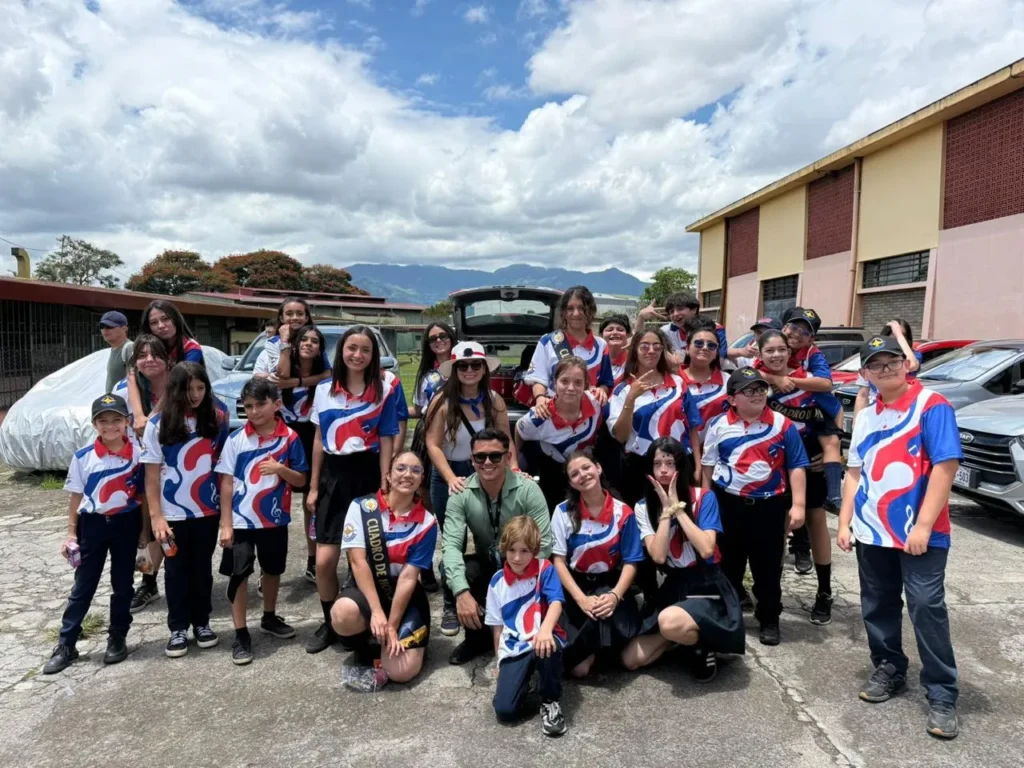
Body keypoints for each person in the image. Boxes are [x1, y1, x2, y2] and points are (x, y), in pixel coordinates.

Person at [838, 335, 963, 740]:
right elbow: (854, 472)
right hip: (872, 528)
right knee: (877, 603)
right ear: (865, 374)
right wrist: (844, 522)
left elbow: (945, 467)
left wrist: (924, 525)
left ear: (906, 365)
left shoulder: (932, 405)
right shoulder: (866, 415)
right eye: (877, 365)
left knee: (926, 607)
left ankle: (942, 693)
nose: (886, 369)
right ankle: (889, 667)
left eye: (892, 361)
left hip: (919, 531)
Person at [305, 326, 405, 654]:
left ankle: (364, 617)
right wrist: (314, 486)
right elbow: (319, 439)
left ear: (373, 354)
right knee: (324, 561)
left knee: (366, 557)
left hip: (368, 473)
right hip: (333, 477)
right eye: (352, 348)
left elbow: (389, 434)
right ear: (341, 351)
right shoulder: (323, 389)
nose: (358, 355)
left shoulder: (387, 387)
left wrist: (385, 478)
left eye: (365, 349)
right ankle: (329, 620)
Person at [621, 438, 744, 682]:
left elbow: (707, 549)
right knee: (630, 659)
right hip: (674, 585)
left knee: (668, 621)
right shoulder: (643, 507)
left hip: (707, 584)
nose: (664, 469)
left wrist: (678, 509)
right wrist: (666, 513)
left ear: (681, 466)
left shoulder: (704, 497)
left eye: (670, 462)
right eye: (657, 464)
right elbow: (657, 555)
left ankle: (701, 644)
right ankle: (684, 636)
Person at [701, 367, 808, 646]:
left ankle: (769, 617)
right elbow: (708, 467)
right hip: (729, 504)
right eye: (749, 390)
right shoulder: (718, 425)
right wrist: (705, 502)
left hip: (769, 507)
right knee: (728, 566)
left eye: (761, 389)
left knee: (768, 568)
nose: (757, 394)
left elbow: (796, 466)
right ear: (733, 398)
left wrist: (798, 505)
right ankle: (729, 616)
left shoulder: (783, 424)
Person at [44, 394, 143, 674]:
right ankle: (67, 644)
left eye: (116, 420)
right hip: (93, 526)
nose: (110, 426)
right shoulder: (83, 457)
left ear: (127, 422)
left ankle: (117, 636)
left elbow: (145, 495)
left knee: (123, 584)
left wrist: (144, 531)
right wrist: (71, 534)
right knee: (83, 586)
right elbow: (76, 496)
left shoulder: (138, 453)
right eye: (103, 421)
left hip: (126, 523)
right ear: (94, 424)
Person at [216, 379, 308, 665]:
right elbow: (226, 483)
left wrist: (281, 469)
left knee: (273, 571)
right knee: (239, 575)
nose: (254, 411)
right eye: (249, 406)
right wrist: (226, 523)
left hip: (274, 520)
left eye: (260, 404)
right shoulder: (235, 440)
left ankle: (269, 616)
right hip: (242, 522)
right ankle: (241, 632)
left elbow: (302, 479)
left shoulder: (290, 438)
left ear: (276, 404)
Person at [140, 363, 229, 657]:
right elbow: (151, 475)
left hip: (207, 511)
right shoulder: (158, 424)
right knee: (176, 571)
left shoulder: (216, 418)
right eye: (188, 389)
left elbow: (223, 467)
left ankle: (202, 623)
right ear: (175, 390)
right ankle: (178, 627)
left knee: (202, 569)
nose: (195, 395)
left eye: (201, 388)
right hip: (172, 515)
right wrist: (156, 517)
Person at [441, 428, 552, 665]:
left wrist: (519, 577)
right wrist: (460, 592)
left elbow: (543, 543)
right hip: (488, 563)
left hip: (523, 565)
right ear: (471, 460)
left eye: (495, 456)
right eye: (480, 457)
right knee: (457, 569)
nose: (487, 462)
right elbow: (450, 545)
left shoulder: (528, 489)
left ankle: (524, 631)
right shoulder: (460, 494)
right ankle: (475, 639)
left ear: (508, 457)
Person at [427, 341, 514, 631]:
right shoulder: (442, 401)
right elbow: (433, 444)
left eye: (475, 364)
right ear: (454, 370)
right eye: (462, 366)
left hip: (487, 468)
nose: (469, 370)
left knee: (492, 533)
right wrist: (451, 477)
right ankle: (452, 601)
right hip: (449, 472)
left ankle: (491, 594)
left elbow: (505, 439)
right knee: (454, 540)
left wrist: (513, 470)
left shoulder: (494, 400)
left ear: (483, 368)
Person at [330, 451, 437, 685]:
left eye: (416, 470)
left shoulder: (427, 522)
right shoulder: (361, 507)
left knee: (401, 673)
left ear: (421, 479)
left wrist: (392, 625)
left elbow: (409, 577)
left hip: (403, 594)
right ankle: (366, 645)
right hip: (367, 589)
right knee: (342, 614)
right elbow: (357, 562)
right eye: (400, 468)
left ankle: (398, 640)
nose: (408, 474)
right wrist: (377, 612)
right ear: (388, 475)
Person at [758, 330, 839, 624]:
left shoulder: (805, 379)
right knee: (776, 529)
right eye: (770, 351)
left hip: (809, 460)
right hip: (771, 462)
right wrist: (771, 379)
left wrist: (832, 448)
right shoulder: (755, 380)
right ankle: (771, 596)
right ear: (761, 354)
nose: (777, 355)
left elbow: (834, 410)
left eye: (781, 349)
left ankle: (825, 592)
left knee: (816, 521)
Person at [551, 450, 643, 678]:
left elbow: (631, 561)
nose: (582, 475)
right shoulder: (562, 512)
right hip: (575, 586)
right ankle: (596, 652)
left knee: (610, 624)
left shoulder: (623, 512)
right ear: (571, 482)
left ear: (598, 468)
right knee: (579, 669)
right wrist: (581, 600)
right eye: (574, 474)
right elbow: (558, 561)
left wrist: (614, 596)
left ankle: (601, 650)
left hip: (610, 584)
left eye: (586, 468)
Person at [486, 515, 567, 737]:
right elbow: (497, 628)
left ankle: (550, 700)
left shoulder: (545, 568)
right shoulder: (497, 581)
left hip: (544, 637)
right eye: (512, 550)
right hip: (516, 645)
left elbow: (556, 602)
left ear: (534, 550)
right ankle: (528, 678)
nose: (517, 557)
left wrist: (545, 629)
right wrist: (499, 661)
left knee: (547, 647)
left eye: (524, 551)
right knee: (505, 711)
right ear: (504, 549)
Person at [761, 307, 844, 512]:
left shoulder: (813, 355)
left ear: (811, 339)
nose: (797, 333)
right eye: (793, 327)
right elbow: (751, 372)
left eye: (804, 332)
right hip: (781, 436)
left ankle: (834, 495)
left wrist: (790, 380)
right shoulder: (771, 345)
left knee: (831, 442)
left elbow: (826, 384)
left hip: (818, 411)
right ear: (784, 327)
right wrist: (776, 379)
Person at [607, 327, 702, 506]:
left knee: (681, 516)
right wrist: (631, 398)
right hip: (640, 466)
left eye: (656, 347)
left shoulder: (679, 383)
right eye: (644, 346)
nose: (651, 351)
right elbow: (620, 436)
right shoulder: (623, 389)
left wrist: (697, 466)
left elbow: (693, 427)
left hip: (679, 463)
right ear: (635, 350)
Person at [116, 336, 174, 615]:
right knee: (147, 530)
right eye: (143, 355)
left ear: (168, 359)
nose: (149, 359)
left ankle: (183, 580)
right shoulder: (126, 390)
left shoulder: (183, 387)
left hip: (178, 471)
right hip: (141, 468)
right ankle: (148, 581)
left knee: (176, 527)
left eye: (156, 354)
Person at [275, 324, 331, 585]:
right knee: (277, 496)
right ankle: (271, 567)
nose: (309, 344)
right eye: (304, 340)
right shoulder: (283, 369)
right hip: (284, 436)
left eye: (315, 341)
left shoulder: (326, 376)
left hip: (313, 435)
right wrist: (286, 344)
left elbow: (327, 376)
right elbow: (280, 375)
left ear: (321, 348)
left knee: (312, 500)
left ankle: (312, 558)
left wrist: (297, 382)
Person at [515, 357, 605, 512]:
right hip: (552, 469)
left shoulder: (595, 402)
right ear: (554, 383)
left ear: (586, 385)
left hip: (582, 463)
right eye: (564, 381)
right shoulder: (539, 416)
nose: (571, 388)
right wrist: (516, 465)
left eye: (578, 382)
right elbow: (519, 432)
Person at [523, 286, 614, 414]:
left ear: (591, 311)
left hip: (590, 419)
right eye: (570, 308)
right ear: (564, 312)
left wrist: (602, 391)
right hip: (554, 415)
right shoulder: (548, 342)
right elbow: (538, 378)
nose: (576, 313)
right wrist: (540, 398)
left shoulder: (601, 345)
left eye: (582, 308)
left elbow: (606, 382)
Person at [853, 319, 921, 418]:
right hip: (876, 411)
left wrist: (898, 335)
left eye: (903, 335)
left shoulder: (913, 356)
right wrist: (856, 425)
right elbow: (862, 395)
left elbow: (912, 365)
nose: (886, 369)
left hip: (904, 410)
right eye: (892, 335)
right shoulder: (870, 360)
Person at [679, 317, 729, 444]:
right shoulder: (673, 379)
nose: (705, 348)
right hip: (678, 454)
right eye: (698, 343)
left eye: (711, 345)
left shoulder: (729, 381)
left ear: (717, 352)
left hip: (716, 454)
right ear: (687, 348)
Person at [659, 293, 739, 360]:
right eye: (671, 311)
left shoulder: (715, 329)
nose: (675, 314)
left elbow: (720, 357)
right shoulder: (665, 331)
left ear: (694, 309)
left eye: (680, 309)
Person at [254, 297, 317, 379]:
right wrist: (284, 341)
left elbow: (326, 373)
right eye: (289, 314)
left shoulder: (314, 341)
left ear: (306, 318)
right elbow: (283, 374)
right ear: (281, 318)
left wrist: (298, 382)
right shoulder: (273, 343)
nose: (295, 317)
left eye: (300, 314)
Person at [411, 322, 456, 419]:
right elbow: (418, 410)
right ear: (428, 344)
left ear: (451, 337)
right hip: (433, 430)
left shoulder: (466, 369)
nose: (438, 340)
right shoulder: (425, 376)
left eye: (443, 336)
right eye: (432, 339)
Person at [100, 311, 134, 393]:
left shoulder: (129, 348)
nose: (105, 330)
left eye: (109, 326)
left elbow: (135, 381)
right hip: (113, 403)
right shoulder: (114, 349)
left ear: (124, 328)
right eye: (102, 326)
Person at [599, 314, 631, 387]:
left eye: (620, 330)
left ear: (628, 335)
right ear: (601, 335)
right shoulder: (595, 360)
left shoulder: (634, 360)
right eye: (610, 330)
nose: (615, 333)